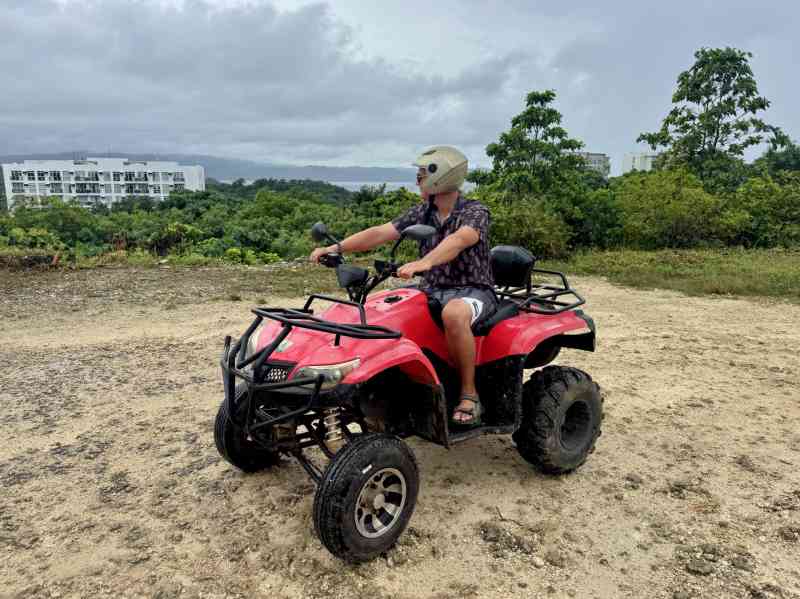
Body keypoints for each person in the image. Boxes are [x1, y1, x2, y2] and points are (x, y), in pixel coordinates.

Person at [310, 146, 496, 426]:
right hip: (431, 290)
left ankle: (469, 394)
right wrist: (335, 246)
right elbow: (381, 232)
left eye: (421, 176)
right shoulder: (423, 212)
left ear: (440, 178)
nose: (417, 181)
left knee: (454, 314)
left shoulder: (474, 211)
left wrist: (425, 262)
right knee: (382, 310)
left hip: (472, 290)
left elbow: (460, 240)